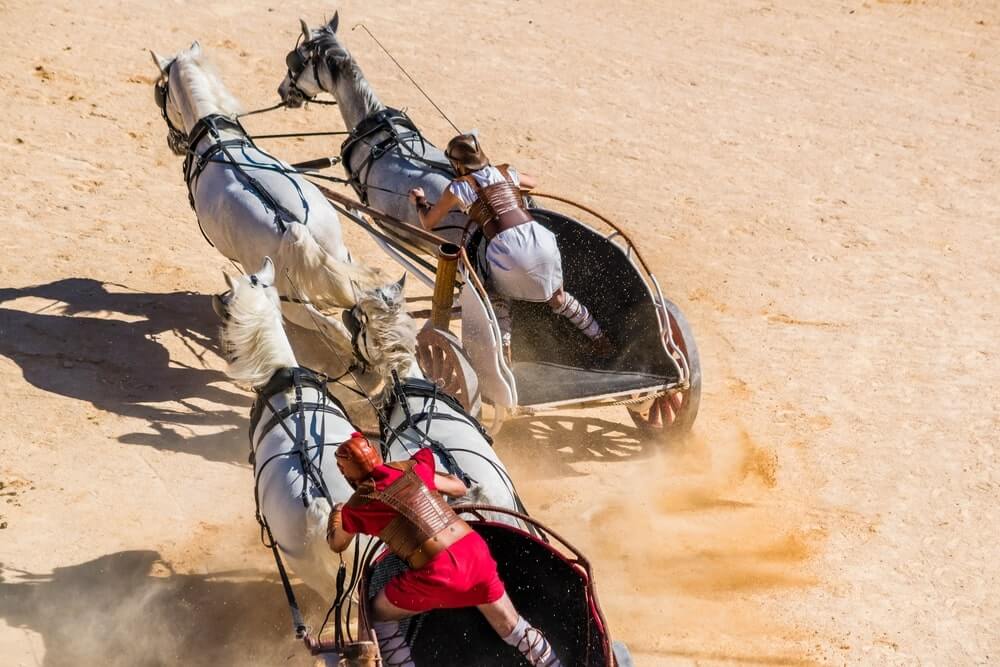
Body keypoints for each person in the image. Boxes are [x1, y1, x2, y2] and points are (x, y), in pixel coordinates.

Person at [327, 433, 562, 667]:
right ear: (376, 455)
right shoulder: (411, 468)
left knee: (376, 615)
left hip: (438, 572)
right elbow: (459, 489)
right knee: (512, 626)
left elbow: (337, 543)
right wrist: (440, 478)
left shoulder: (358, 504)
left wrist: (337, 514)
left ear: (345, 471)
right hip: (474, 551)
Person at [407, 133, 611, 363]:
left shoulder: (458, 188)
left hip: (509, 249)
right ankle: (600, 338)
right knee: (558, 297)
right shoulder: (506, 172)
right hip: (541, 240)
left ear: (456, 165)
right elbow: (533, 183)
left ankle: (505, 355)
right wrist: (505, 183)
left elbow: (428, 223)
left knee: (496, 296)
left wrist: (420, 201)